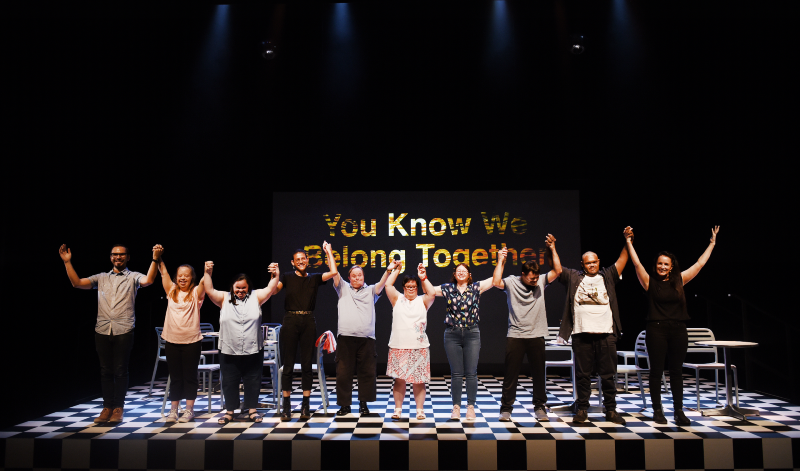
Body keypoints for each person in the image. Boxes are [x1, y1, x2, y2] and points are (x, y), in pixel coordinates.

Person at [625, 226, 720, 426]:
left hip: (678, 330)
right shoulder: (649, 282)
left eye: (666, 264)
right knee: (656, 371)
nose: (662, 266)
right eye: (659, 263)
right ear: (656, 265)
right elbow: (636, 263)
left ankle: (679, 411)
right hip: (656, 329)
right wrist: (628, 242)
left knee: (676, 371)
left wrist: (712, 244)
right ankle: (657, 411)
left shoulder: (679, 280)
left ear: (671, 266)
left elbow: (700, 264)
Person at [58, 243, 160, 423]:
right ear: (110, 257)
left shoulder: (133, 277)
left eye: (121, 255)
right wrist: (67, 262)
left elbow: (149, 280)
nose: (118, 257)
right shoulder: (102, 277)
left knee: (120, 370)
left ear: (128, 257)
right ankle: (107, 407)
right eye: (114, 255)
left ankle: (118, 408)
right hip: (103, 329)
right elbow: (77, 283)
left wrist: (155, 259)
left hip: (124, 328)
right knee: (105, 371)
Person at [555, 229, 633, 425]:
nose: (592, 265)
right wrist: (552, 248)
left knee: (608, 375)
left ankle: (611, 410)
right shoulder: (574, 277)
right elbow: (556, 269)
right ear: (583, 264)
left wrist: (628, 241)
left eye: (595, 262)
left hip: (606, 334)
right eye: (588, 262)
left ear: (599, 262)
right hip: (581, 334)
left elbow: (623, 259)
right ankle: (582, 409)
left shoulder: (607, 275)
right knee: (582, 375)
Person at [492, 235, 562, 422]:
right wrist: (501, 260)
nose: (534, 281)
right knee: (511, 375)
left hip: (537, 334)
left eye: (536, 278)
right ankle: (506, 408)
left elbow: (558, 270)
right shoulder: (512, 282)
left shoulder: (541, 281)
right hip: (516, 335)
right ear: (523, 275)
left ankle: (540, 407)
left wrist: (552, 248)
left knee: (539, 374)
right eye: (531, 279)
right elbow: (496, 282)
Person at [203, 261, 280, 424]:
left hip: (253, 349)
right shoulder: (223, 298)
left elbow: (271, 288)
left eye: (243, 288)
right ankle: (229, 412)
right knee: (229, 381)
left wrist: (276, 274)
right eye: (237, 288)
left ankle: (252, 410)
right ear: (232, 287)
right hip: (229, 350)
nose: (240, 291)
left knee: (253, 380)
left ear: (248, 287)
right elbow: (209, 290)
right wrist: (207, 273)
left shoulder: (256, 297)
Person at [273, 242, 337, 421]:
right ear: (292, 263)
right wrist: (275, 276)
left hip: (308, 320)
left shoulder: (314, 278)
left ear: (308, 260)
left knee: (308, 364)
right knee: (288, 363)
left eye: (303, 259)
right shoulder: (286, 277)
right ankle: (286, 405)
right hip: (290, 320)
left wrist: (329, 252)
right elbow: (273, 292)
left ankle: (305, 404)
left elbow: (333, 272)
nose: (300, 261)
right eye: (297, 260)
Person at [430, 263, 496, 420]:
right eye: (458, 271)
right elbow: (430, 290)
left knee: (471, 372)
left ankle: (471, 407)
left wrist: (500, 261)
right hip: (452, 333)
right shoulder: (448, 288)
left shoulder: (475, 288)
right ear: (454, 274)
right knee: (456, 373)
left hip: (472, 333)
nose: (460, 273)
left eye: (464, 271)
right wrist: (423, 277)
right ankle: (456, 407)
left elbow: (495, 280)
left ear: (469, 274)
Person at [332, 259, 397, 416]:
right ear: (349, 278)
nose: (356, 278)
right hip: (346, 338)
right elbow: (334, 272)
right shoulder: (343, 288)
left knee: (367, 372)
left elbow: (382, 283)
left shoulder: (371, 291)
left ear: (363, 277)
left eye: (359, 275)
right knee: (343, 373)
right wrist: (328, 253)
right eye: (353, 276)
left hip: (367, 339)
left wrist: (388, 270)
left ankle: (363, 404)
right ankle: (344, 405)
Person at [156, 246, 206, 423]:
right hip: (172, 341)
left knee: (190, 376)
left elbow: (204, 284)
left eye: (186, 275)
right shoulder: (171, 291)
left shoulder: (195, 293)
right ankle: (174, 410)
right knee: (175, 377)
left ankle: (189, 410)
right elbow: (163, 274)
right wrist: (158, 258)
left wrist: (208, 272)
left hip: (192, 341)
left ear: (192, 277)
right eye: (180, 275)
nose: (183, 277)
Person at [385, 262, 436, 420]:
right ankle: (398, 409)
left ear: (417, 288)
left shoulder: (423, 301)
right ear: (403, 288)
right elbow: (388, 284)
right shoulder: (397, 299)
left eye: (413, 286)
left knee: (418, 381)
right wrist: (397, 270)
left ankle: (419, 410)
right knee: (399, 380)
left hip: (418, 347)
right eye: (408, 286)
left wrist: (423, 277)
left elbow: (432, 292)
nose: (411, 289)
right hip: (398, 347)